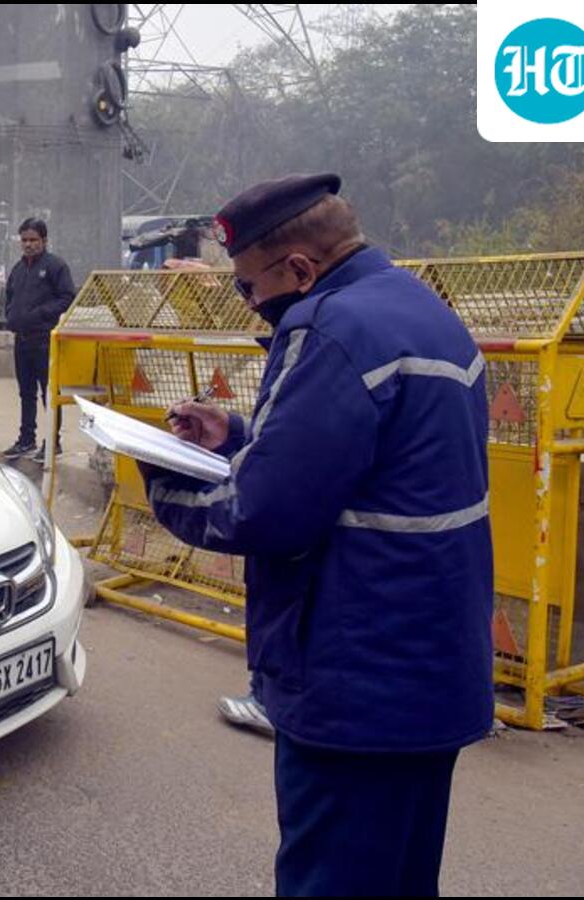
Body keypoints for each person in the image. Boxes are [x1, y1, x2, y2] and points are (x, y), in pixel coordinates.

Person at [144, 174, 492, 896]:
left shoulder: (329, 327)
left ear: (300, 269)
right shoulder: (416, 306)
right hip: (431, 671)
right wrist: (238, 434)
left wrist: (163, 478)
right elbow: (369, 461)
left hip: (355, 680)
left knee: (329, 879)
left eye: (247, 288)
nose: (251, 304)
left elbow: (265, 512)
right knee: (400, 876)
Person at [1, 218, 76, 462]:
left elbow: (67, 298)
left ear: (44, 240)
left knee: (49, 393)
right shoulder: (18, 269)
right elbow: (9, 296)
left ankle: (53, 443)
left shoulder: (55, 267)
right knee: (26, 393)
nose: (28, 244)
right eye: (24, 240)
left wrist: (40, 314)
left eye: (33, 240)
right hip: (21, 341)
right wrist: (11, 316)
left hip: (45, 340)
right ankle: (26, 440)